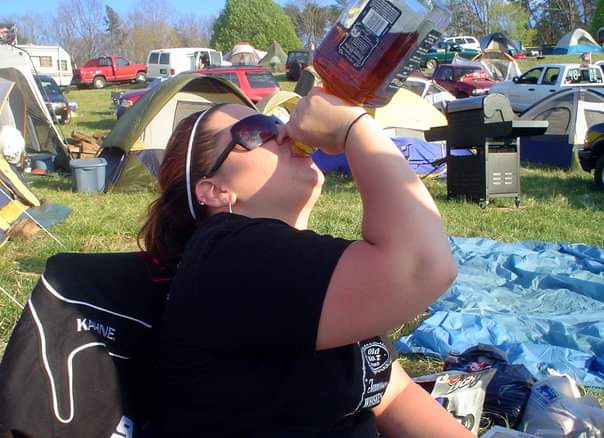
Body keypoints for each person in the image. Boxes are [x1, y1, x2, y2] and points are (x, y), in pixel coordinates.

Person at [140, 87, 473, 437]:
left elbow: (391, 395)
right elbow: (422, 265)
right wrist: (352, 128)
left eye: (279, 122)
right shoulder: (225, 254)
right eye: (258, 130)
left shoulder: (296, 265)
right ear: (214, 190)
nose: (284, 133)